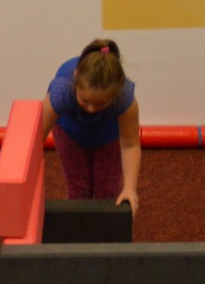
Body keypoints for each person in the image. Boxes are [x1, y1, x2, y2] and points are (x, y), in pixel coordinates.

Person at [41, 38, 141, 217]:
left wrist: (129, 188)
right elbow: (35, 139)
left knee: (108, 190)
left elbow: (130, 145)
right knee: (79, 190)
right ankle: (78, 230)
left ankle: (105, 230)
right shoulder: (61, 91)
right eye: (85, 101)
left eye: (100, 103)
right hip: (70, 131)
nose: (92, 109)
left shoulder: (124, 98)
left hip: (108, 133)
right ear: (76, 77)